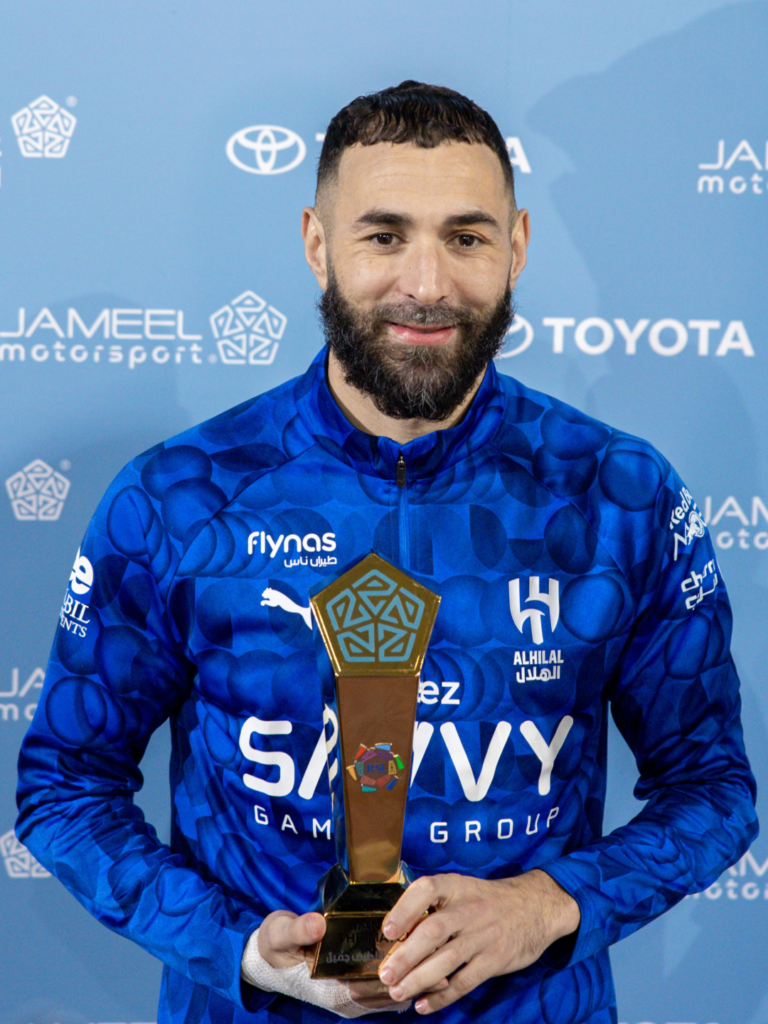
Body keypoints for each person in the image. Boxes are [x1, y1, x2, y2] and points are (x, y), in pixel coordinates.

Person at [16, 81, 757, 1024]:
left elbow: (713, 791)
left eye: (467, 237)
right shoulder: (179, 497)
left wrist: (548, 906)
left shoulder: (619, 493)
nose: (427, 284)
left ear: (518, 246)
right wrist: (237, 947)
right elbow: (65, 788)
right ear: (317, 244)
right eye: (384, 235)